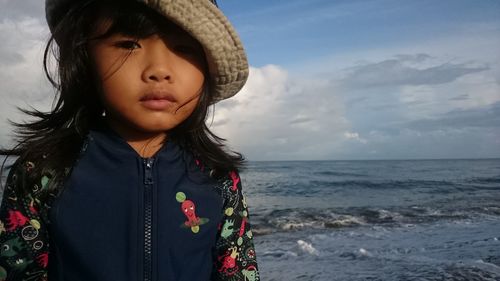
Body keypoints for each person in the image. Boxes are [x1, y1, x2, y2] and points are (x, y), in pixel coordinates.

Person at [0, 0, 260, 280]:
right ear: (84, 55)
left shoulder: (218, 177)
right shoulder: (42, 171)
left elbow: (236, 270)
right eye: (129, 44)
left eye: (184, 48)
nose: (159, 69)